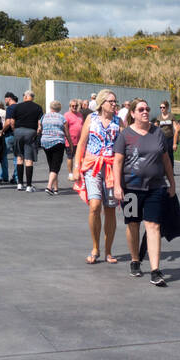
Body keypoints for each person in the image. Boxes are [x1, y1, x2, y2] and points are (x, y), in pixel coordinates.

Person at [112, 98, 176, 286]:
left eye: (147, 108)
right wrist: (117, 185)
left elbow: (166, 161)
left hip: (155, 187)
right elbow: (117, 162)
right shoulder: (125, 135)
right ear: (132, 113)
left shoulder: (158, 134)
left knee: (154, 226)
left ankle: (155, 270)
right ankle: (134, 260)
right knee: (133, 224)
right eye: (141, 109)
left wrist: (171, 183)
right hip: (131, 188)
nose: (145, 112)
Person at [73, 90, 121, 262]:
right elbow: (81, 144)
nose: (114, 104)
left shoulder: (118, 121)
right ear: (102, 103)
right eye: (111, 101)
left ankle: (108, 251)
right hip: (92, 166)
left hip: (110, 167)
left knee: (110, 210)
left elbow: (125, 145)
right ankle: (95, 248)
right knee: (94, 206)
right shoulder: (91, 118)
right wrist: (76, 167)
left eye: (115, 101)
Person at [4, 89, 44, 191]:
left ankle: (20, 184)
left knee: (19, 157)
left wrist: (15, 130)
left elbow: (12, 122)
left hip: (18, 132)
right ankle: (29, 185)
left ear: (25, 97)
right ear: (32, 97)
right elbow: (40, 124)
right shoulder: (38, 107)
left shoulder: (17, 107)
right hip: (30, 132)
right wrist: (37, 133)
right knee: (29, 159)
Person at [40, 100, 67, 194]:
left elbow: (40, 128)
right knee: (55, 166)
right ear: (59, 108)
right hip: (57, 142)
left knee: (52, 165)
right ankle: (49, 187)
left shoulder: (44, 116)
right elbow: (66, 132)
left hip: (45, 142)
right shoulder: (61, 117)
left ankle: (56, 188)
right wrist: (70, 144)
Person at [64, 99, 84, 181]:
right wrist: (69, 141)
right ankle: (70, 174)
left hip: (80, 140)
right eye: (72, 106)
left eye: (76, 106)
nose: (74, 107)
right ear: (70, 106)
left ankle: (79, 172)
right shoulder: (66, 115)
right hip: (71, 140)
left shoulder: (80, 115)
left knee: (80, 157)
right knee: (70, 157)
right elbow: (65, 129)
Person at [2, 92, 18, 183]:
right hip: (19, 135)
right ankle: (16, 177)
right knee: (17, 157)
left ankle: (3, 176)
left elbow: (8, 122)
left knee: (3, 155)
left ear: (9, 98)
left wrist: (2, 131)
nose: (5, 101)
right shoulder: (20, 107)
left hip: (10, 135)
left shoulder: (10, 108)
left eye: (5, 99)